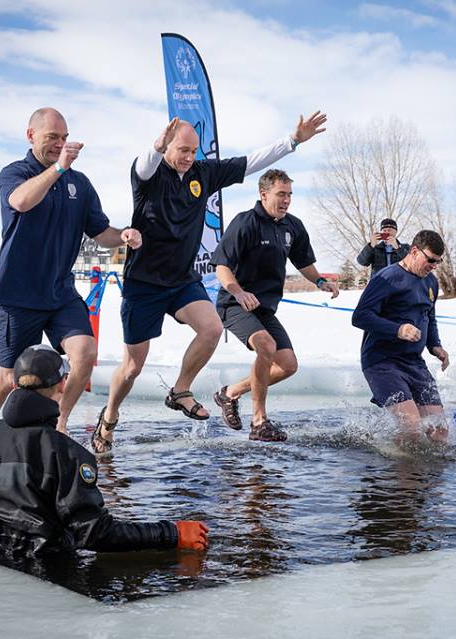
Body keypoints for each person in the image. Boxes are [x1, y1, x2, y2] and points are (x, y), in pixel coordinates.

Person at [93, 112, 327, 454]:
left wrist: (292, 142)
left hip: (181, 279)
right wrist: (156, 146)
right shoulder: (149, 174)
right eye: (182, 150)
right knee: (131, 368)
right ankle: (109, 417)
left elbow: (250, 162)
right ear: (167, 147)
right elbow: (145, 163)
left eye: (194, 151)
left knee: (212, 328)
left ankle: (180, 390)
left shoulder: (203, 174)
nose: (189, 157)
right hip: (143, 283)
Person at [0, 344, 209, 555]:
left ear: (14, 384)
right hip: (43, 570)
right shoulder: (66, 453)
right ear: (62, 384)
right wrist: (171, 533)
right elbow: (94, 533)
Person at [0, 107, 141, 433]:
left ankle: (58, 424)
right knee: (9, 379)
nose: (60, 144)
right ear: (31, 135)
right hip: (17, 295)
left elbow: (101, 233)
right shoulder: (15, 173)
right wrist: (58, 168)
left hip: (60, 294)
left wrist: (124, 235)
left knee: (85, 353)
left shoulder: (79, 184)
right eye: (53, 137)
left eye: (64, 138)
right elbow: (21, 202)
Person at [209, 169, 339, 442]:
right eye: (281, 194)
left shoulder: (293, 226)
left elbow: (303, 262)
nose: (286, 200)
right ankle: (259, 422)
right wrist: (238, 291)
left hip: (264, 308)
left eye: (289, 195)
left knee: (288, 365)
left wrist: (320, 281)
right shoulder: (245, 222)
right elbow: (222, 266)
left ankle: (230, 393)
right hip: (234, 304)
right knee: (266, 346)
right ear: (264, 194)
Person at [351, 229, 451, 442]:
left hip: (414, 362)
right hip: (382, 361)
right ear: (414, 251)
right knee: (411, 428)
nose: (433, 266)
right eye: (430, 260)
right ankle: (393, 462)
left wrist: (435, 345)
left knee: (440, 432)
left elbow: (429, 316)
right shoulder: (387, 278)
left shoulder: (431, 282)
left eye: (438, 262)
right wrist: (398, 329)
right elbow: (360, 317)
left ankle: (425, 466)